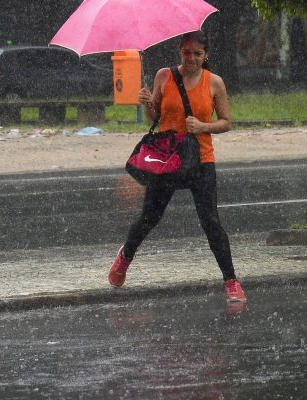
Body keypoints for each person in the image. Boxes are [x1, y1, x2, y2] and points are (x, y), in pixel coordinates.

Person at [108, 30, 246, 304]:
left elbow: (227, 122)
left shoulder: (214, 83)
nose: (192, 58)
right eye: (187, 52)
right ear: (180, 52)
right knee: (150, 218)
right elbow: (156, 117)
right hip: (168, 159)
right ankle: (125, 256)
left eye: (197, 53)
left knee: (210, 222)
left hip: (200, 159)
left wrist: (204, 126)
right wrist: (148, 105)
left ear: (206, 55)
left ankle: (231, 281)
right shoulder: (164, 76)